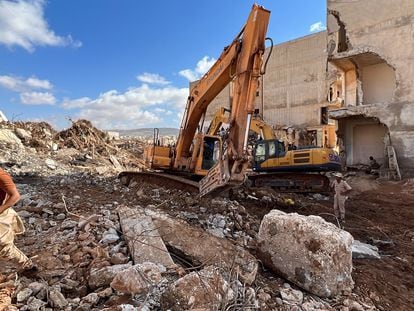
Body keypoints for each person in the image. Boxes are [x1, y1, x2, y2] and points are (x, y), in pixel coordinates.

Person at [0, 168, 36, 274]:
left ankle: (27, 266)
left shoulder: (1, 176)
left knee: (4, 246)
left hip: (2, 212)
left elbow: (15, 196)